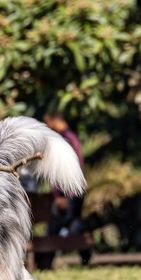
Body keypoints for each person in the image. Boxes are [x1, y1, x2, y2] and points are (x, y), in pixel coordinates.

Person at [41, 113, 90, 266]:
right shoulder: (67, 138)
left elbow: (72, 168)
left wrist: (65, 197)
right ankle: (85, 255)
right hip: (72, 193)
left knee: (54, 229)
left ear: (54, 121)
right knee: (74, 224)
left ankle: (45, 262)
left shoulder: (66, 139)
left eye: (47, 123)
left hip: (70, 194)